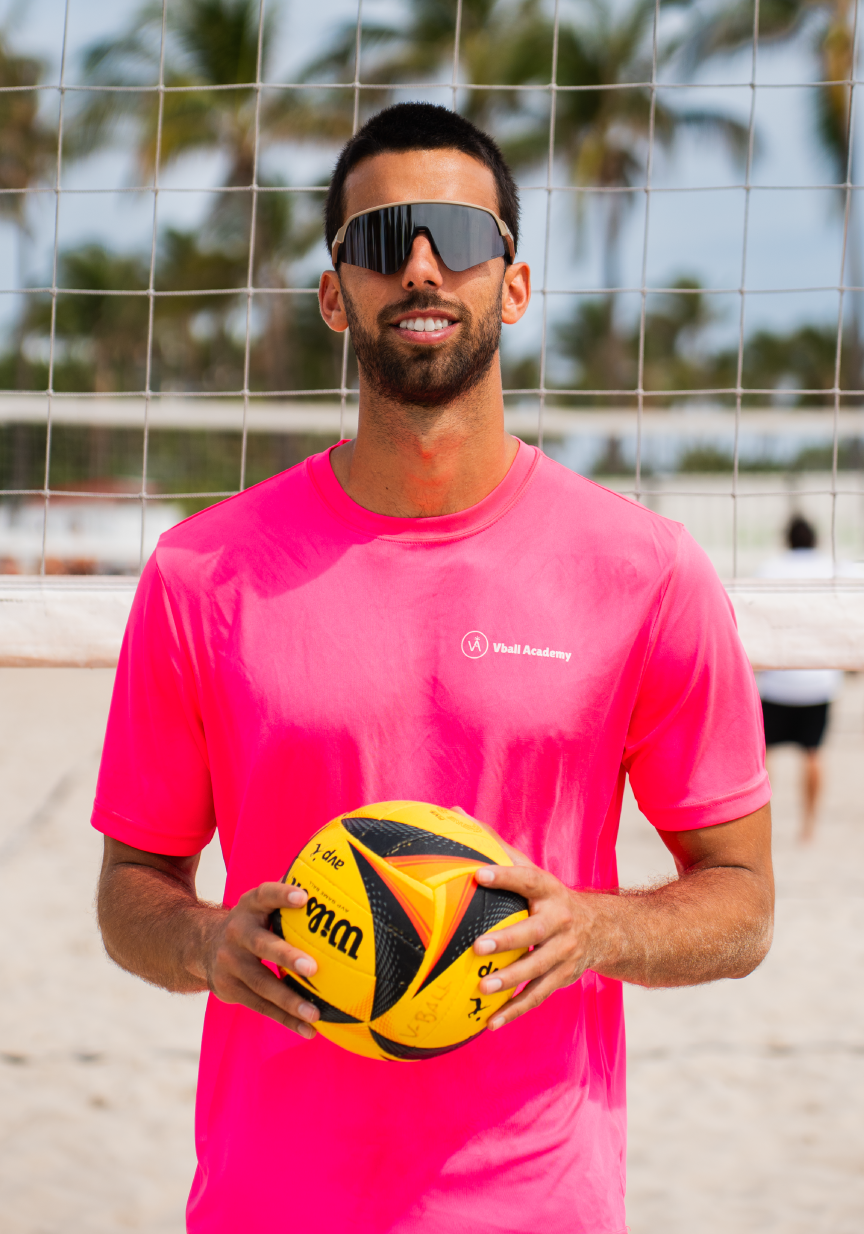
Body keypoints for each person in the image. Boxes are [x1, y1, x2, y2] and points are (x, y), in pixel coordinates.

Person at [93, 102, 774, 1234]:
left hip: (538, 1203)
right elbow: (130, 889)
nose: (419, 266)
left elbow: (744, 901)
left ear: (514, 284)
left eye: (457, 238)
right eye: (379, 239)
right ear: (334, 293)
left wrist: (596, 929)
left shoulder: (643, 570)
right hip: (271, 1201)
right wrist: (208, 944)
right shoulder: (202, 573)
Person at [756, 515, 843, 842]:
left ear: (787, 539)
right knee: (813, 753)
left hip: (778, 679)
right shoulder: (831, 567)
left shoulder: (770, 569)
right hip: (819, 681)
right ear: (815, 539)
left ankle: (761, 825)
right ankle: (808, 827)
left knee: (761, 759)